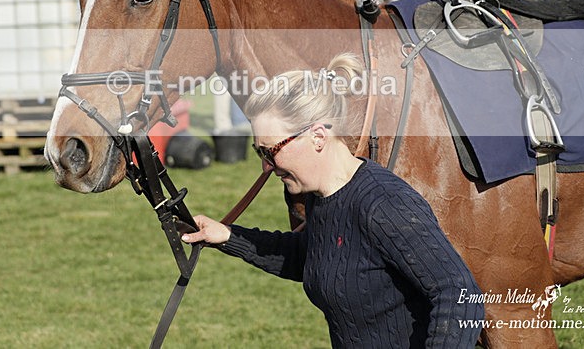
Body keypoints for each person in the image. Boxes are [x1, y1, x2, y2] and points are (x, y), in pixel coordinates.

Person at [182, 54, 484, 348]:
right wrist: (228, 236)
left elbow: (459, 294)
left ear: (316, 136)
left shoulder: (384, 204)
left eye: (269, 151)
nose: (265, 166)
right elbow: (314, 257)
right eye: (259, 152)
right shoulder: (322, 199)